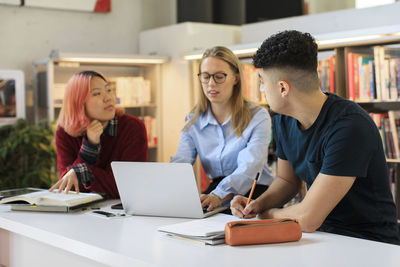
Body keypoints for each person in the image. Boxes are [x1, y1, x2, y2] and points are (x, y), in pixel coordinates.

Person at [230, 30, 400, 245]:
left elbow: (308, 218)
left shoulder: (350, 126)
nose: (261, 88)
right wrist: (256, 205)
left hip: (367, 244)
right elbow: (286, 181)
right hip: (318, 237)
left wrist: (266, 216)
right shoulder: (283, 119)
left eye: (262, 81)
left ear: (283, 88)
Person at [171, 46, 274, 212]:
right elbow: (181, 162)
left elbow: (249, 167)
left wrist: (218, 195)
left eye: (219, 77)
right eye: (205, 77)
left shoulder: (258, 116)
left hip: (255, 193)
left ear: (236, 78)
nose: (211, 84)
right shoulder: (193, 121)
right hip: (217, 191)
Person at [49, 71, 148, 198]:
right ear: (79, 102)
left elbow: (130, 186)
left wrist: (84, 173)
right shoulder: (65, 132)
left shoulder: (132, 126)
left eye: (109, 90)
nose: (108, 97)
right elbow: (68, 187)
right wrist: (90, 146)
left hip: (122, 212)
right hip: (81, 213)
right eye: (97, 93)